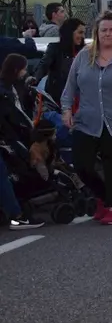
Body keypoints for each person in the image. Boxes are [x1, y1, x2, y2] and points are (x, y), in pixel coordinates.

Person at [61, 12, 112, 226]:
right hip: (87, 120)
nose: (108, 34)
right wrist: (66, 110)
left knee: (111, 164)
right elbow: (70, 86)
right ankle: (104, 198)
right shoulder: (83, 57)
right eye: (104, 30)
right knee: (81, 165)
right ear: (96, 32)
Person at [0, 54, 46, 229]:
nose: (25, 72)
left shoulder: (9, 88)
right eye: (23, 69)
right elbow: (12, 119)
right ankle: (16, 217)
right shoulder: (5, 92)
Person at [34, 18, 85, 105]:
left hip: (82, 98)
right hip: (60, 98)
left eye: (84, 33)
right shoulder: (55, 48)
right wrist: (34, 79)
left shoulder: (85, 50)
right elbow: (43, 65)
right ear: (69, 32)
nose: (83, 36)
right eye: (80, 32)